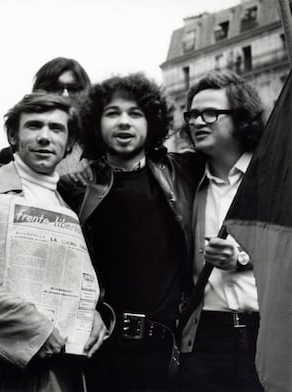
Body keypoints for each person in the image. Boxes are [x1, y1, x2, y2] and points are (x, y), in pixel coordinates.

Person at [0, 93, 106, 391]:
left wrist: (92, 315)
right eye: (34, 126)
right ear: (13, 135)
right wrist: (35, 329)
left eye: (56, 128)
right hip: (1, 364)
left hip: (63, 369)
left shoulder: (71, 205)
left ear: (70, 143)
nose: (45, 137)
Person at [60, 73, 203, 391]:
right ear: (96, 124)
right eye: (113, 113)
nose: (124, 122)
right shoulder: (76, 187)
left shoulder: (182, 172)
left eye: (135, 113)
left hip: (167, 354)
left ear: (152, 123)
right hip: (100, 352)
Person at [179, 70, 265, 391]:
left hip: (266, 327)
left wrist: (243, 258)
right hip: (206, 334)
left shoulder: (272, 175)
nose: (198, 121)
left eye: (211, 113)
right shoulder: (185, 179)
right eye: (192, 114)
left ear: (242, 118)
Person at [0, 57, 91, 170]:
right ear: (38, 91)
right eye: (56, 88)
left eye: (74, 89)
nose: (65, 95)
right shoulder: (11, 155)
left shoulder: (100, 155)